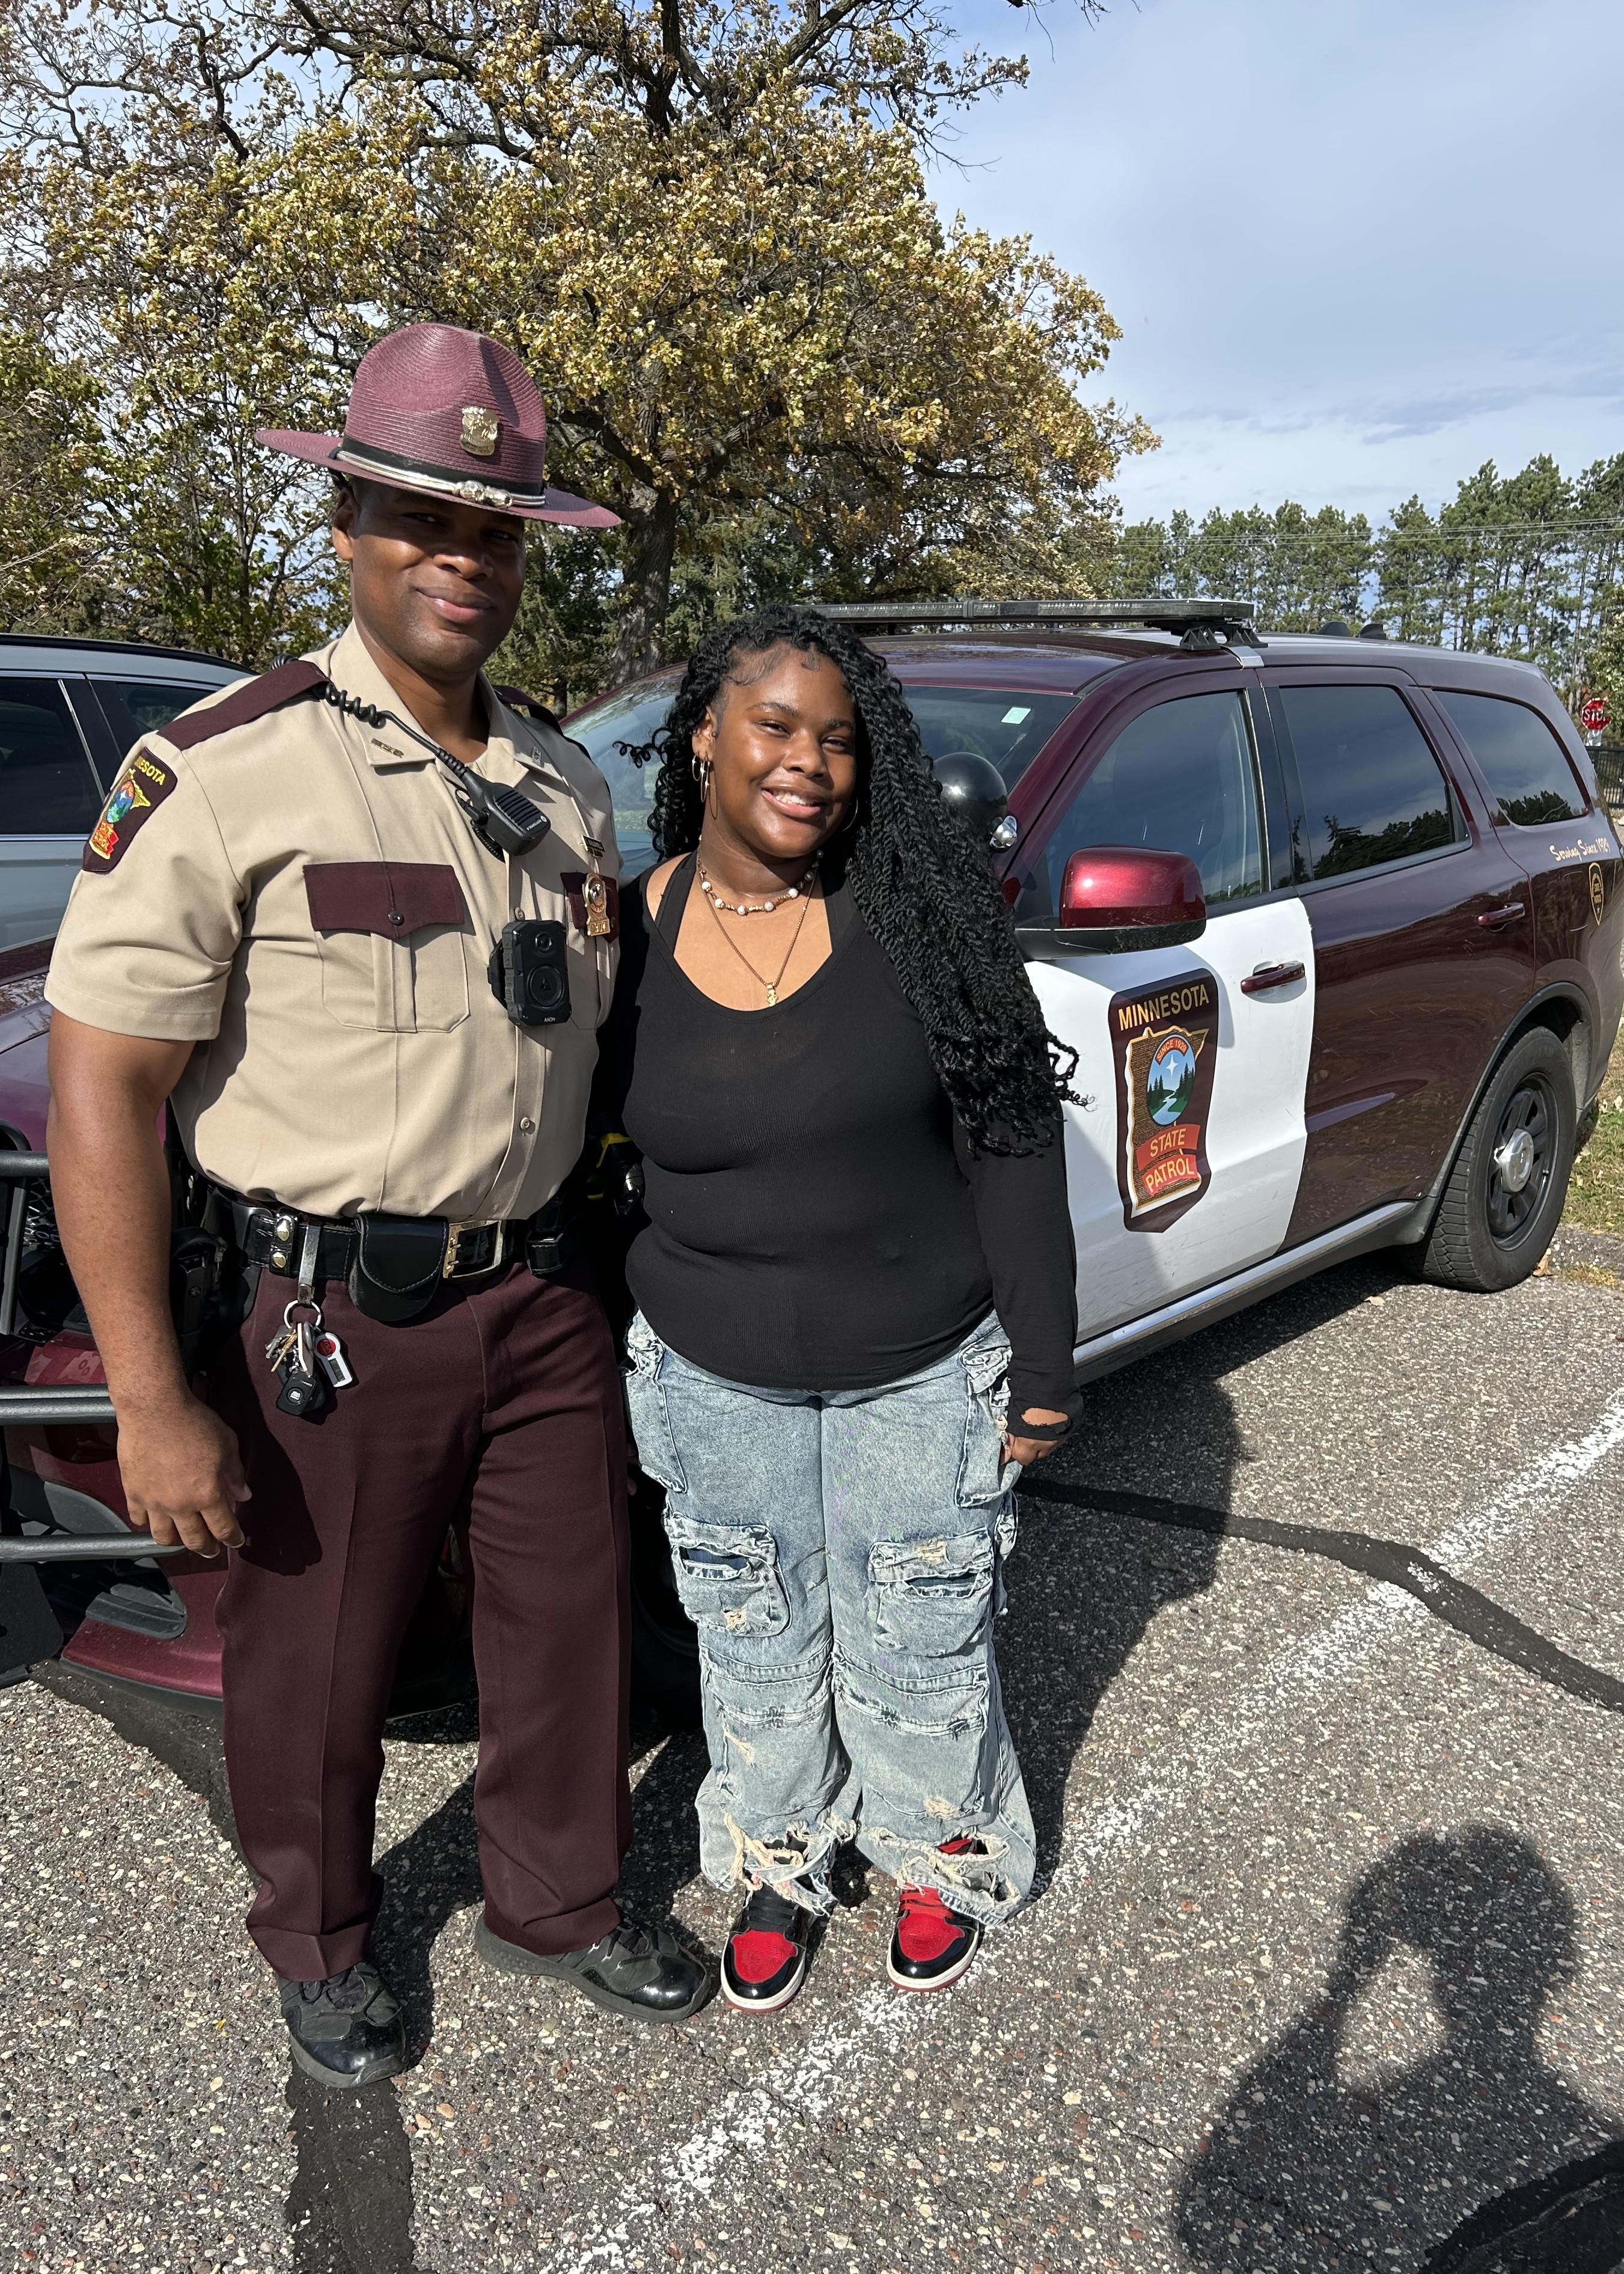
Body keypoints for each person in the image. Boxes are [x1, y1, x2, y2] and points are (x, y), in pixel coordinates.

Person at [44, 323, 712, 2090]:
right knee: (316, 1657)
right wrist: (149, 1393)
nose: (456, 559)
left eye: (489, 530)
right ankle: (321, 1942)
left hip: (542, 1290)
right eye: (417, 517)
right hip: (334, 1315)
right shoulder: (228, 768)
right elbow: (107, 1083)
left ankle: (556, 1901)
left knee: (563, 1623)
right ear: (342, 519)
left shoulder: (565, 784)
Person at [600, 607, 1080, 2013]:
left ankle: (940, 1849)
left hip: (920, 1363)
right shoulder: (627, 930)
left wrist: (1043, 1363)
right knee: (752, 1626)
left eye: (839, 738)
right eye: (774, 726)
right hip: (711, 1369)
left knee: (918, 1624)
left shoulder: (921, 922)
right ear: (703, 736)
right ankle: (781, 1856)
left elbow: (1012, 1143)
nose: (807, 761)